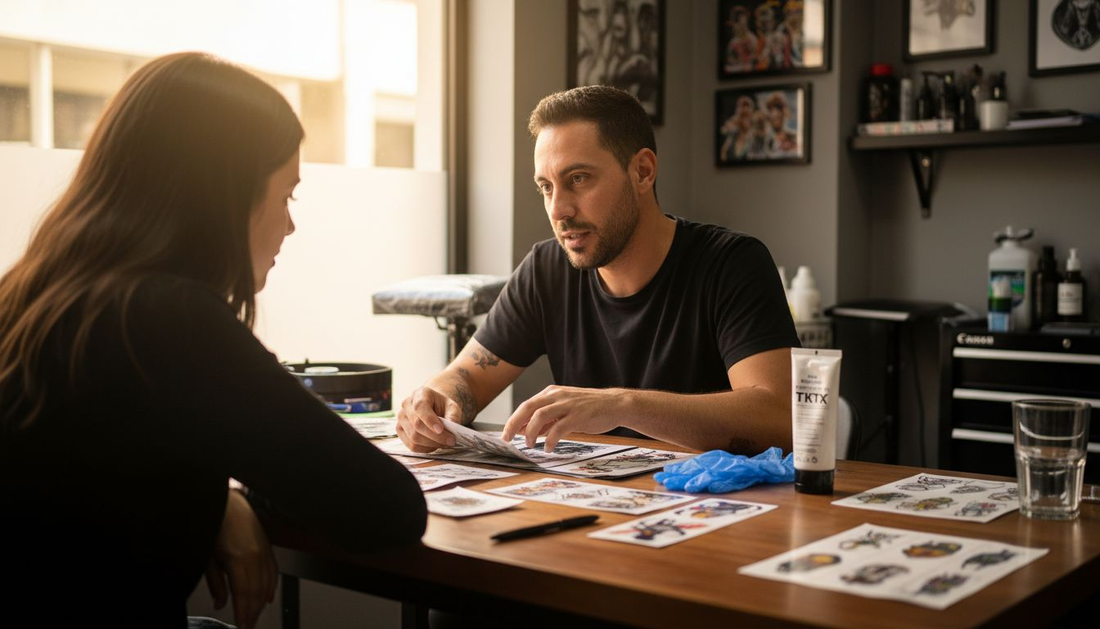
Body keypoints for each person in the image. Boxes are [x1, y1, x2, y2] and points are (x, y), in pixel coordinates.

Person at [0, 52, 426, 628]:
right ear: (224, 194)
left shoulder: (34, 295)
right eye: (286, 195)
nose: (289, 224)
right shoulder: (165, 319)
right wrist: (236, 494)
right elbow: (387, 509)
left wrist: (221, 498)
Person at [397, 85, 797, 458]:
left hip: (720, 514)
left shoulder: (732, 263)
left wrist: (622, 405)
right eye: (547, 187)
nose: (559, 211)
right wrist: (433, 400)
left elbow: (781, 418)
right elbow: (465, 379)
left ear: (642, 171)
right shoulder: (546, 270)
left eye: (578, 179)